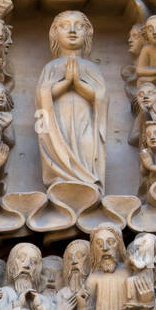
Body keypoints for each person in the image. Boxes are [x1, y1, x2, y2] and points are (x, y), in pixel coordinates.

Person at [35, 11, 108, 190]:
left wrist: (78, 84)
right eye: (64, 26)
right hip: (58, 121)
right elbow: (42, 96)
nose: (73, 30)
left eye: (79, 26)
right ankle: (60, 179)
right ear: (55, 33)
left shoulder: (90, 67)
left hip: (84, 120)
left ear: (87, 34)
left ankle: (88, 179)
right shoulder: (50, 67)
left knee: (86, 144)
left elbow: (101, 96)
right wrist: (66, 83)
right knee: (59, 144)